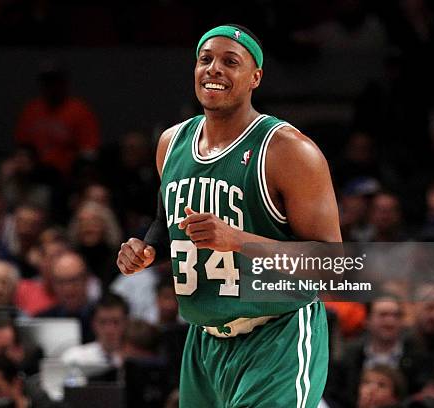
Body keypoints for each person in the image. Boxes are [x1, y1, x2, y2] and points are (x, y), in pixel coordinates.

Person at [117, 24, 341, 407]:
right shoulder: (171, 143)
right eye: (205, 59)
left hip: (278, 337)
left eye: (230, 62)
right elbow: (164, 223)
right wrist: (146, 249)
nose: (213, 69)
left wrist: (237, 240)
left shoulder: (288, 150)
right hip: (204, 340)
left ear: (255, 77)